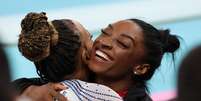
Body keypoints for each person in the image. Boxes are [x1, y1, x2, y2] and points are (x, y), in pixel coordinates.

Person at [14, 16, 180, 101]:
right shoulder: (55, 88)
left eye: (122, 43)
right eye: (105, 32)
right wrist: (31, 92)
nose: (104, 42)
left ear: (140, 68)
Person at [14, 12, 123, 101]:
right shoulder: (106, 95)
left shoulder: (36, 91)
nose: (97, 43)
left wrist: (31, 92)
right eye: (90, 38)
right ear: (86, 55)